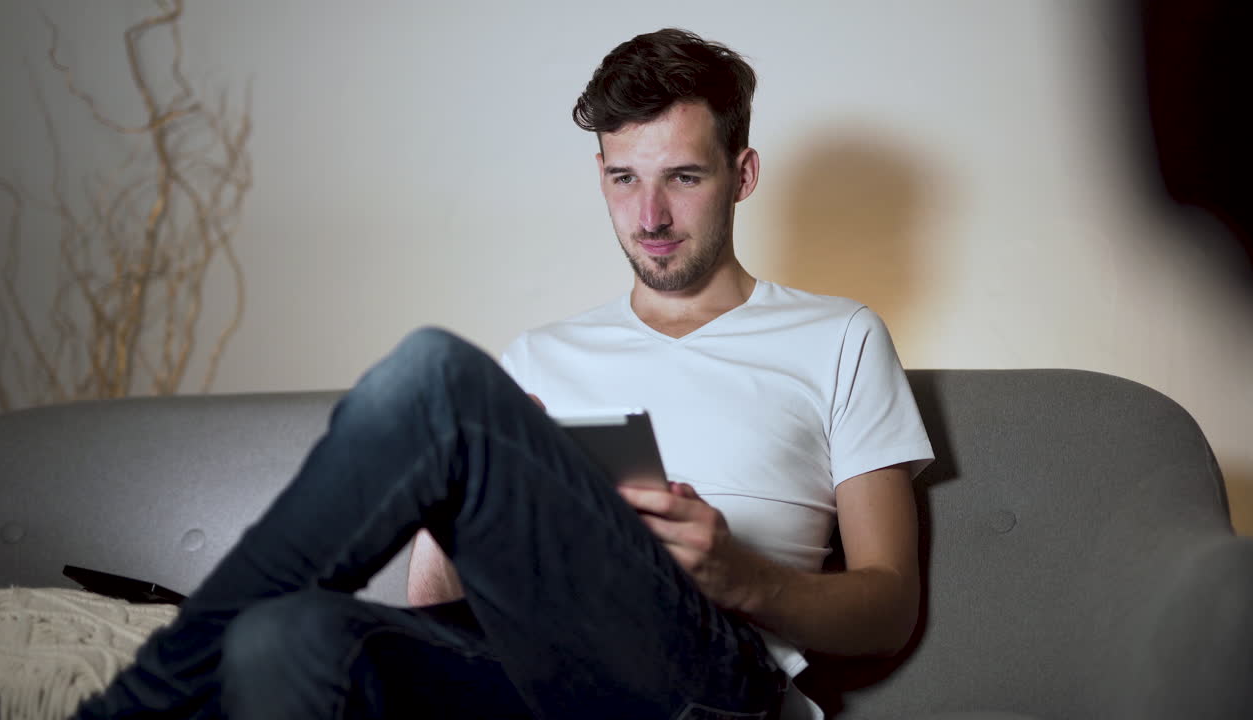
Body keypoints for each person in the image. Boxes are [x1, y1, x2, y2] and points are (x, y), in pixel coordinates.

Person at [72, 27, 933, 720]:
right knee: (285, 634)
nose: (651, 216)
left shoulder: (837, 336)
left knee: (434, 374)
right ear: (599, 174)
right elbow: (434, 606)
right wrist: (471, 502)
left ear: (741, 176)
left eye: (683, 177)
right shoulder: (540, 359)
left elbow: (889, 604)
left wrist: (746, 579)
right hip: (519, 674)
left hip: (703, 681)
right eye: (624, 178)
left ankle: (147, 699)